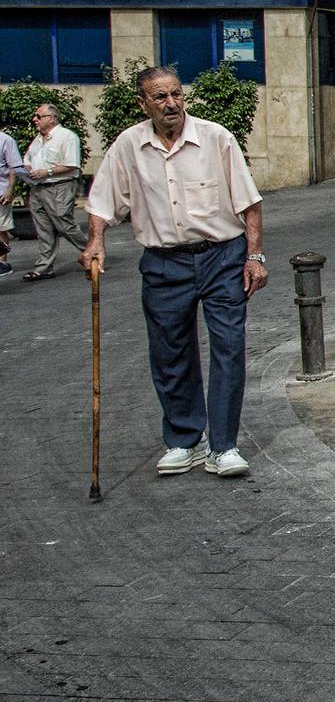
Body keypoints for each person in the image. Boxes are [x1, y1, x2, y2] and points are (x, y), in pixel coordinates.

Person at [81, 66, 268, 478]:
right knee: (170, 352)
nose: (171, 104)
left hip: (222, 256)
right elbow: (102, 201)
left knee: (229, 347)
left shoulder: (216, 138)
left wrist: (255, 256)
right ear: (143, 103)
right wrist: (96, 240)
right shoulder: (129, 146)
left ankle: (223, 445)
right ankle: (185, 439)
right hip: (165, 262)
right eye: (160, 97)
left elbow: (249, 202)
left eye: (176, 95)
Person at [22, 104, 89, 280]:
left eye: (39, 116)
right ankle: (44, 268)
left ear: (52, 118)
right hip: (38, 188)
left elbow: (72, 164)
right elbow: (28, 157)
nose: (34, 119)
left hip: (59, 186)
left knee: (64, 225)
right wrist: (28, 166)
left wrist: (47, 172)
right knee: (43, 229)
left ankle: (92, 251)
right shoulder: (38, 139)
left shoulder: (66, 137)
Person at [0, 128, 20, 278]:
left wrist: (10, 189)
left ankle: (3, 263)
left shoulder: (6, 140)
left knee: (1, 228)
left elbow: (14, 167)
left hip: (1, 191)